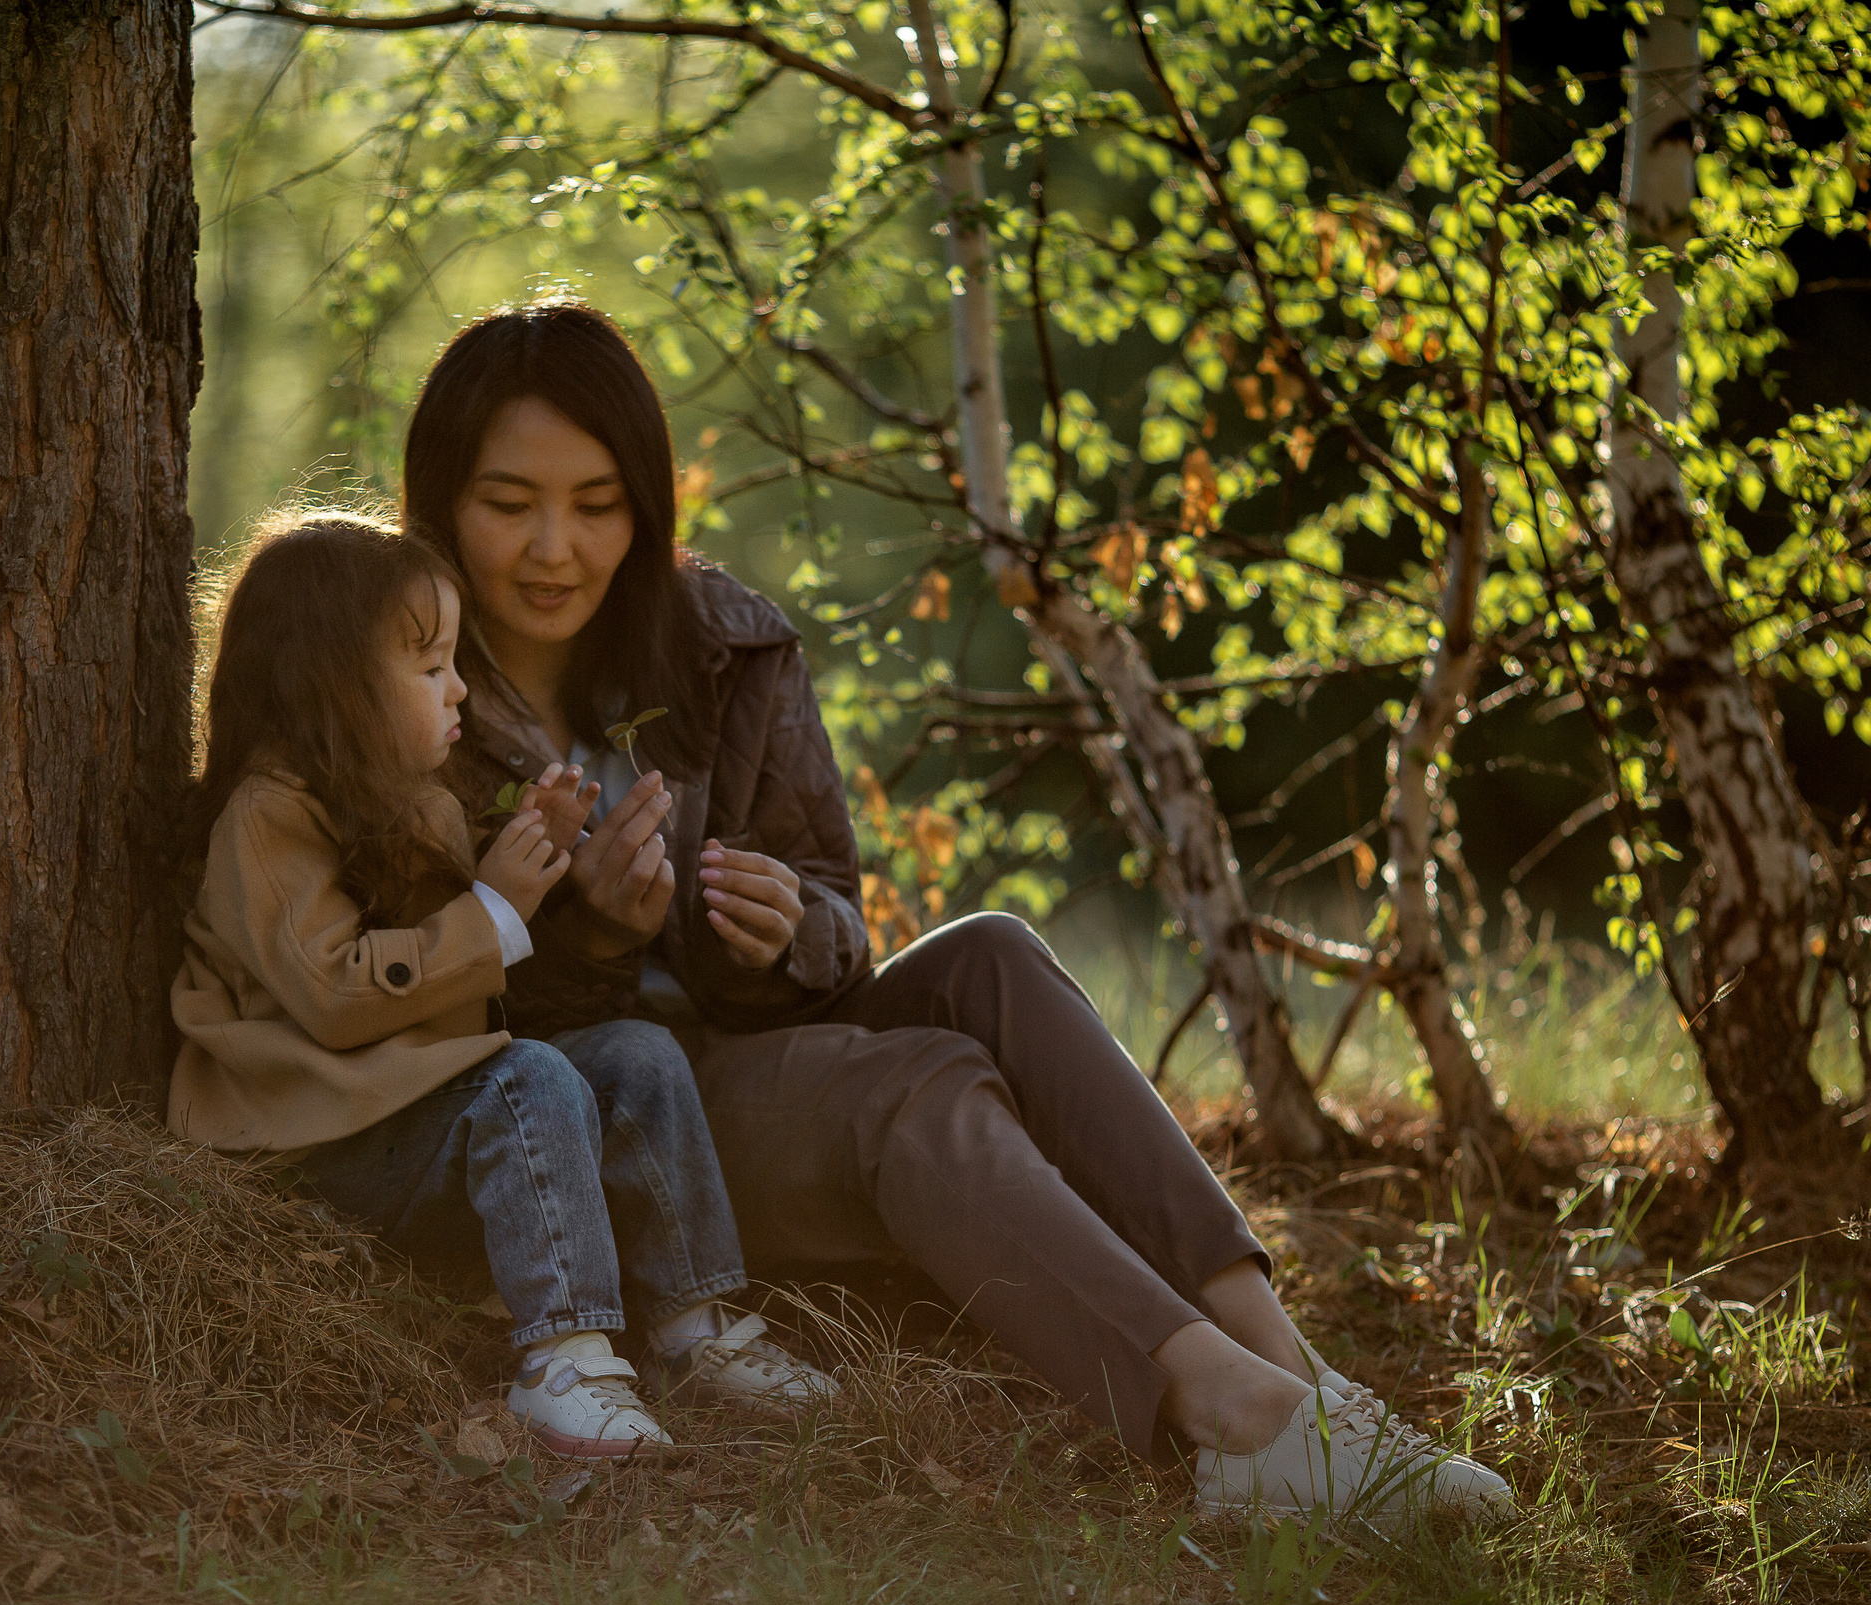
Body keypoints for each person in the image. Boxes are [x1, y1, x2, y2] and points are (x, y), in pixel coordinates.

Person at [405, 301, 1513, 1519]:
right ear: (443, 502)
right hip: (622, 1129)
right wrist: (600, 937)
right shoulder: (401, 689)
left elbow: (835, 915)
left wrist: (781, 931)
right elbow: (433, 1018)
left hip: (753, 1050)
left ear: (648, 503)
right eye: (510, 505)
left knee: (992, 955)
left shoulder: (719, 644)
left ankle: (1307, 1385)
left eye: (597, 504)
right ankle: (1231, 1421)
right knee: (916, 1080)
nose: (553, 547)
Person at [168, 511, 835, 1460]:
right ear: (337, 686)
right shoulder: (265, 820)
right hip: (309, 1141)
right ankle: (561, 1357)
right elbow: (337, 997)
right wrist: (492, 906)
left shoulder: (412, 807)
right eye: (431, 667)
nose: (461, 690)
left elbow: (447, 999)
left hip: (399, 1113)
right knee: (530, 1079)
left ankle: (695, 1324)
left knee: (638, 1052)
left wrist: (543, 867)